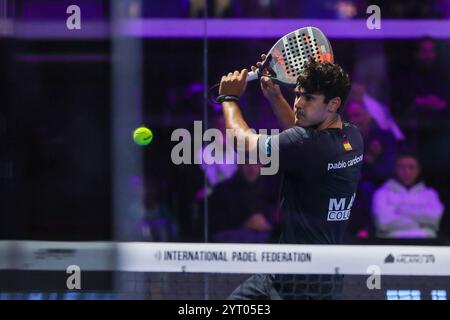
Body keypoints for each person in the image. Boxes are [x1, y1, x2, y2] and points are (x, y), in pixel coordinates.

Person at [217, 56, 363, 299]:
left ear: (333, 103)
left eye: (309, 98)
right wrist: (275, 97)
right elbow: (298, 136)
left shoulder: (307, 144)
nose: (298, 104)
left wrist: (228, 98)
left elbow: (244, 147)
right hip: (289, 271)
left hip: (306, 285)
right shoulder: (352, 137)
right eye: (297, 94)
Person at [372, 153, 444, 239]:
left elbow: (434, 219)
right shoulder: (382, 193)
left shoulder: (430, 194)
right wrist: (422, 223)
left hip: (426, 244)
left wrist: (400, 209)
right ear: (395, 169)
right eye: (402, 167)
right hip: (391, 244)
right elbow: (383, 223)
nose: (407, 172)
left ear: (418, 170)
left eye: (411, 167)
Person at [209, 163, 275, 243]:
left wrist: (269, 227)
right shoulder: (223, 191)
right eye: (246, 163)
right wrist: (244, 226)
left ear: (262, 165)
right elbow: (213, 229)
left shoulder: (272, 189)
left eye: (256, 164)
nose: (251, 168)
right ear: (239, 165)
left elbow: (285, 221)